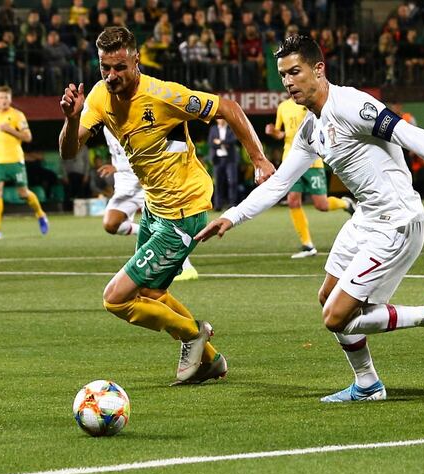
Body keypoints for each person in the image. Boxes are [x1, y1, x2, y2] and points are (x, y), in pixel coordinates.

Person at [197, 35, 424, 402]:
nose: (289, 82)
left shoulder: (352, 105)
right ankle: (368, 384)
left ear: (319, 69)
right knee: (327, 297)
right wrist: (231, 217)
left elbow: (410, 134)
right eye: (283, 75)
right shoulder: (311, 128)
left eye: (295, 72)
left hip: (397, 222)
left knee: (335, 317)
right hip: (366, 219)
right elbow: (280, 182)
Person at [59, 26, 275, 385]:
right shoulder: (98, 96)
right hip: (155, 207)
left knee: (116, 300)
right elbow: (69, 151)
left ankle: (193, 333)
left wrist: (259, 160)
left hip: (183, 212)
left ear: (136, 60)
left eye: (119, 67)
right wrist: (70, 118)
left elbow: (229, 108)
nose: (111, 76)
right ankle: (211, 361)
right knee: (152, 293)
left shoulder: (164, 95)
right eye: (104, 68)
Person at [98, 126, 199, 281]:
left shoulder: (133, 121)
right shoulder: (106, 127)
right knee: (111, 224)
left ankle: (187, 268)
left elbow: (145, 155)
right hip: (125, 185)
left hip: (148, 181)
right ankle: (144, 233)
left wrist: (117, 167)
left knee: (163, 225)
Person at [265, 96, 355, 259]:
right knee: (293, 201)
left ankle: (345, 203)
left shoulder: (308, 104)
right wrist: (273, 132)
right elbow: (281, 134)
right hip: (290, 161)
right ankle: (307, 245)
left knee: (321, 204)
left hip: (312, 160)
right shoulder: (283, 107)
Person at [0, 85, 49, 240]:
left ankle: (40, 214)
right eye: (1, 97)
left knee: (23, 193)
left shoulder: (18, 115)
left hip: (15, 160)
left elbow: (27, 137)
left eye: (6, 97)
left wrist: (10, 129)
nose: (3, 100)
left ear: (10, 99)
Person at [208, 118, 241, 212]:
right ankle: (218, 205)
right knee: (218, 183)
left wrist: (220, 142)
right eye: (219, 119)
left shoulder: (231, 128)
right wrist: (223, 144)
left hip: (230, 159)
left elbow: (233, 140)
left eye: (222, 119)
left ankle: (232, 204)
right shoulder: (213, 129)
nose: (221, 120)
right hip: (218, 159)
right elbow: (211, 142)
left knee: (232, 182)